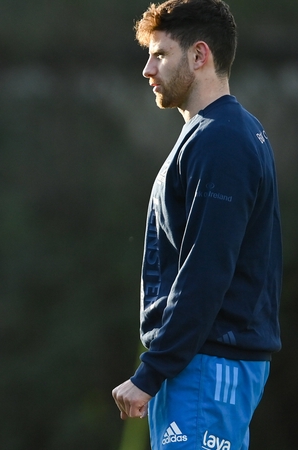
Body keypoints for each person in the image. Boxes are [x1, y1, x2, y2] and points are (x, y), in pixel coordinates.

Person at [111, 0, 282, 448]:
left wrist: (151, 372)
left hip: (207, 367)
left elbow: (206, 270)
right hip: (199, 364)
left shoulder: (221, 139)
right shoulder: (216, 133)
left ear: (199, 55)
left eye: (160, 54)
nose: (147, 69)